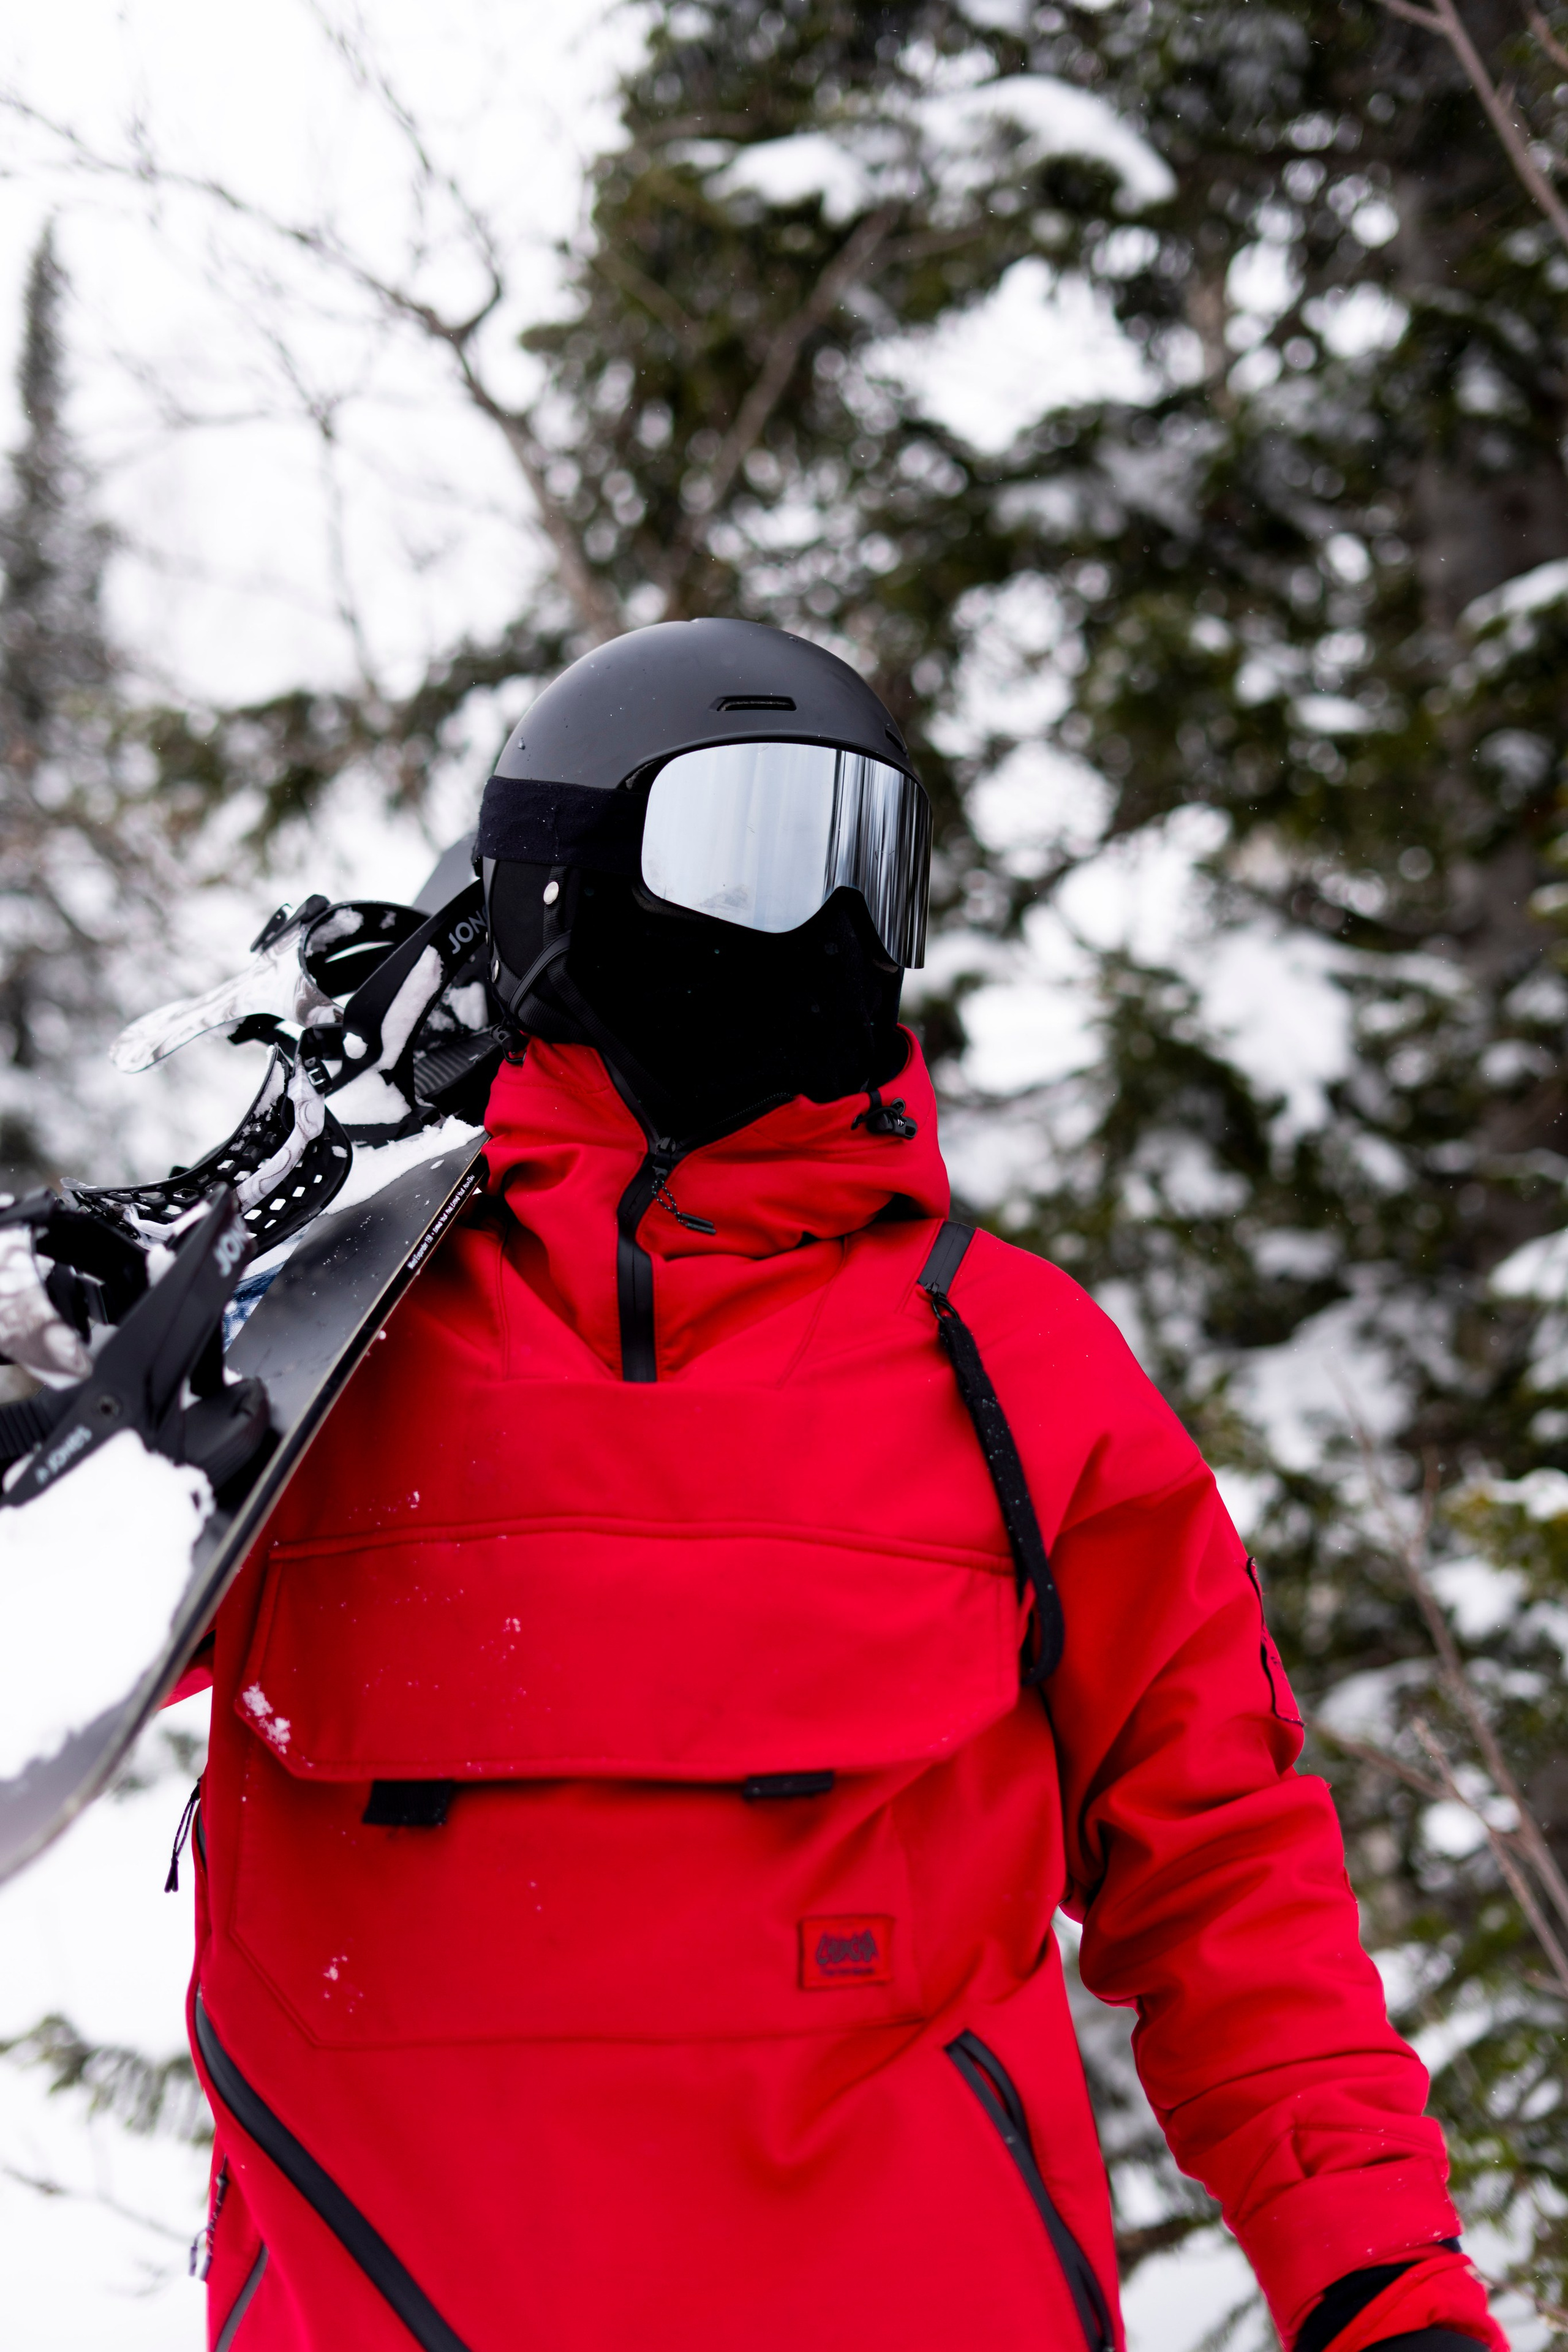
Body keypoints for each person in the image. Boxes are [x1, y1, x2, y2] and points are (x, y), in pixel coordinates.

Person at [178, 619, 1504, 2351]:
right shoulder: (321, 1350)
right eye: (746, 846)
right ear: (560, 891)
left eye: (864, 865)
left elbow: (1229, 1874)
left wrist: (1380, 2281)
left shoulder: (1015, 1368)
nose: (817, 930)